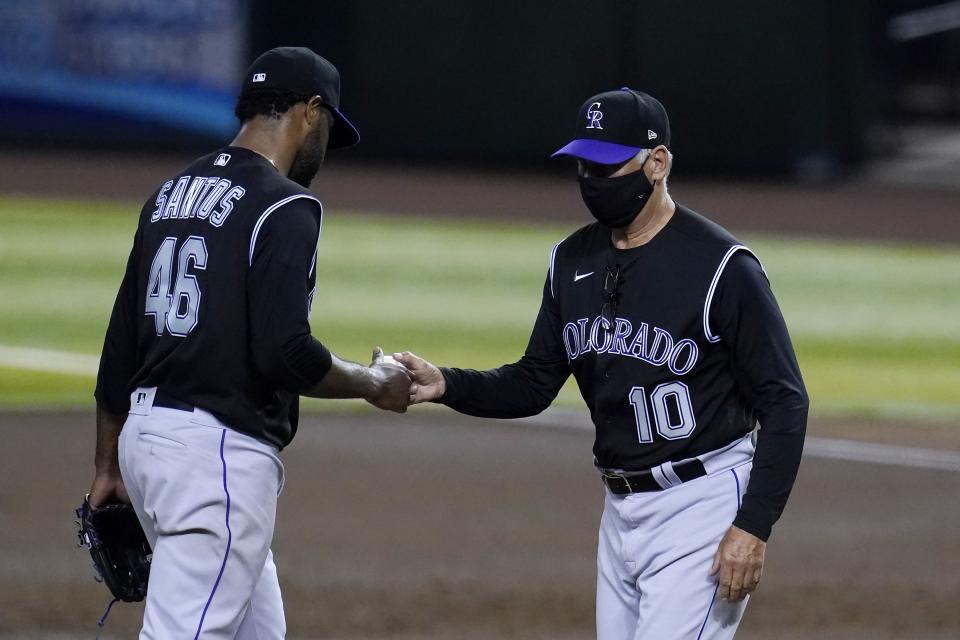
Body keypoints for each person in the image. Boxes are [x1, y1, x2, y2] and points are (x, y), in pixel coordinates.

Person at [395, 88, 808, 639]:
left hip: (702, 506)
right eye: (584, 164)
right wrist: (447, 383)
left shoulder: (722, 267)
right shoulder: (572, 260)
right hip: (619, 514)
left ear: (657, 164)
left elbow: (784, 400)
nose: (592, 178)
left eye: (608, 164)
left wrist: (752, 527)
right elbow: (535, 381)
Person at [88, 47, 412, 639]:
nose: (323, 154)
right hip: (214, 462)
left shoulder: (169, 194)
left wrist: (107, 464)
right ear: (310, 112)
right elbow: (285, 351)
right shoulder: (285, 203)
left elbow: (119, 346)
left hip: (145, 447)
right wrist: (371, 383)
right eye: (327, 130)